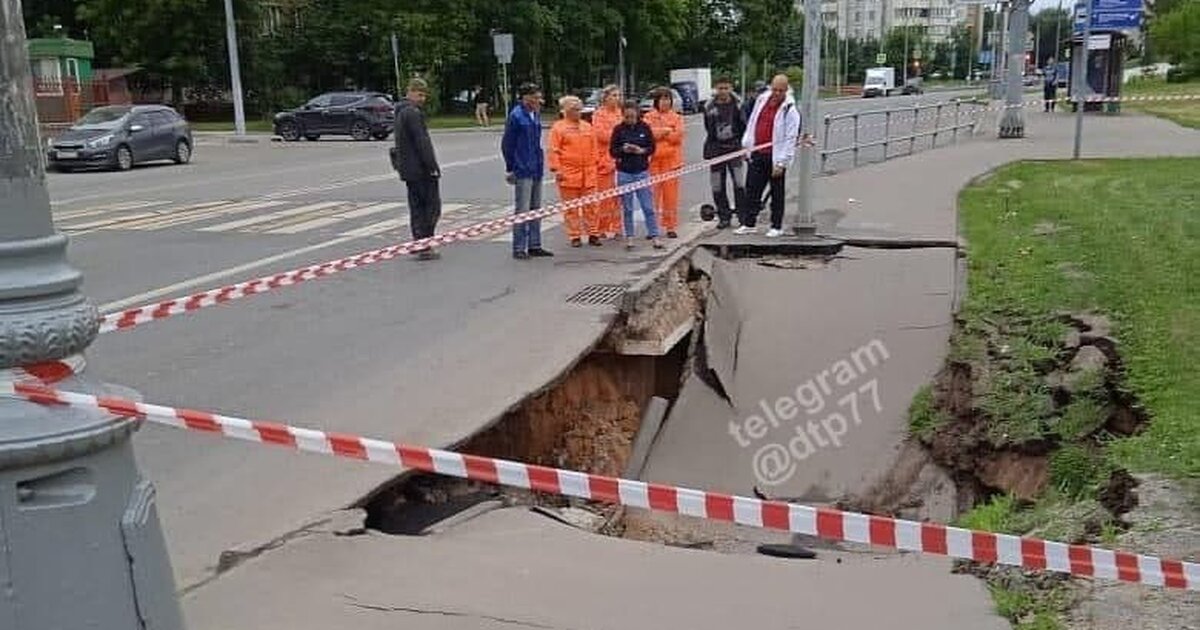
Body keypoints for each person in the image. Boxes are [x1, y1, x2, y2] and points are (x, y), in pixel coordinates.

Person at [737, 74, 801, 238]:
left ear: (786, 90)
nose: (777, 93)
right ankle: (749, 223)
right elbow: (753, 123)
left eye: (780, 90)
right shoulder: (762, 100)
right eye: (774, 89)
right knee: (752, 190)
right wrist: (747, 146)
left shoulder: (790, 110)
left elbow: (791, 138)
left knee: (776, 193)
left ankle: (776, 225)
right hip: (758, 152)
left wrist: (782, 163)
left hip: (775, 156)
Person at [390, 78, 442, 260]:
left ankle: (418, 242)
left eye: (424, 95)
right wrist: (433, 167)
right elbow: (422, 142)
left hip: (408, 170)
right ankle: (424, 244)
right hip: (421, 170)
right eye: (420, 94)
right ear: (410, 91)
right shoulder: (412, 113)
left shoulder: (400, 111)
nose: (423, 99)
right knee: (432, 207)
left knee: (417, 207)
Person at [502, 82, 554, 260]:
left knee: (536, 208)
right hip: (522, 167)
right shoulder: (516, 116)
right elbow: (507, 144)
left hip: (536, 166)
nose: (538, 100)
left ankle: (534, 244)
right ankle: (519, 247)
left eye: (538, 96)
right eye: (534, 96)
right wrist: (510, 167)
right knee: (522, 209)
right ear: (525, 98)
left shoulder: (535, 114)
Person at [548, 95, 602, 247]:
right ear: (565, 111)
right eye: (574, 110)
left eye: (579, 109)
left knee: (591, 206)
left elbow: (594, 148)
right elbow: (554, 151)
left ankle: (593, 233)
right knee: (571, 208)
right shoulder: (558, 128)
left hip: (588, 173)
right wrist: (557, 169)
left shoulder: (587, 127)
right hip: (569, 174)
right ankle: (575, 236)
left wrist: (595, 164)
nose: (578, 112)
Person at [610, 101, 663, 251]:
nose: (630, 120)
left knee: (648, 206)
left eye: (632, 117)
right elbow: (612, 151)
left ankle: (654, 235)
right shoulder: (618, 129)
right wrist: (623, 149)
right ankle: (630, 237)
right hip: (624, 172)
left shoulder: (644, 127)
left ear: (638, 114)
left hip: (641, 171)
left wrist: (642, 151)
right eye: (626, 117)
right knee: (627, 208)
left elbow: (652, 147)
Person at [703, 76, 748, 230]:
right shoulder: (709, 106)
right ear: (715, 89)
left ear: (731, 88)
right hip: (715, 150)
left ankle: (743, 216)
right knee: (717, 186)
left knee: (739, 184)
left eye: (726, 88)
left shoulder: (738, 104)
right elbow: (708, 128)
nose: (722, 91)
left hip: (734, 148)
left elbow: (744, 126)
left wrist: (743, 147)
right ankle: (724, 217)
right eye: (720, 88)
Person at [643, 86, 685, 238]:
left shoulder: (677, 117)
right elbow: (648, 135)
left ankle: (670, 227)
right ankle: (652, 228)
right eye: (662, 99)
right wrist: (666, 130)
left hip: (671, 163)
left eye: (668, 99)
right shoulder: (648, 117)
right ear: (656, 101)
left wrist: (662, 132)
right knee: (652, 198)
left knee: (670, 197)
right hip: (653, 162)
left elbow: (677, 137)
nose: (665, 102)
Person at [590, 84, 625, 239]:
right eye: (613, 95)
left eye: (618, 95)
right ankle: (602, 228)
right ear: (605, 98)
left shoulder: (621, 114)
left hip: (621, 159)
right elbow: (601, 135)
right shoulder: (599, 114)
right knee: (605, 197)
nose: (616, 98)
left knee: (619, 197)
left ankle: (617, 227)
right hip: (605, 161)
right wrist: (619, 136)